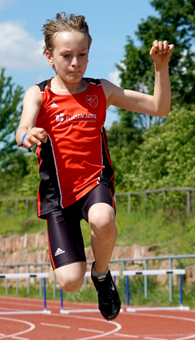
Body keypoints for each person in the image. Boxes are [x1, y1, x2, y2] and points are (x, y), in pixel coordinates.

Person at [16, 12, 174, 321]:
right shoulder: (39, 94)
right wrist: (27, 134)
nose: (75, 62)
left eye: (82, 54)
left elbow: (159, 107)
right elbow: (22, 128)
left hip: (93, 184)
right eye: (66, 56)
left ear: (89, 51)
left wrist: (161, 67)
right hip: (58, 197)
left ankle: (102, 275)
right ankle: (85, 274)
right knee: (70, 282)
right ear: (49, 56)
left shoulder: (101, 90)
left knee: (103, 218)